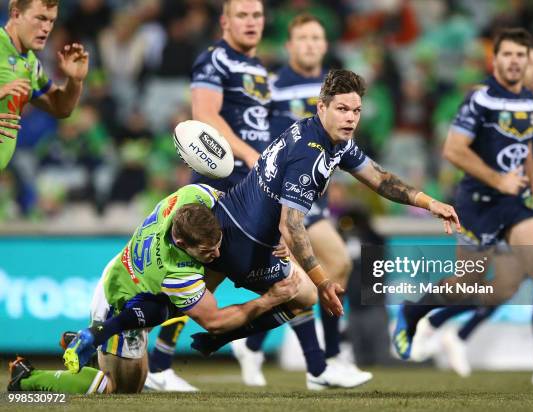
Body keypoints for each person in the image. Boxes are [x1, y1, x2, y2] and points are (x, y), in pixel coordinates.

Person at [184, 68, 459, 391]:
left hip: (227, 223)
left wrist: (429, 203)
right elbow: (291, 225)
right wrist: (323, 281)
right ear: (321, 107)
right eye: (342, 109)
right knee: (304, 295)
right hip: (247, 244)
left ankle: (147, 337)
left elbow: (380, 179)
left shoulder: (329, 138)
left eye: (356, 111)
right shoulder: (310, 155)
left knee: (184, 301)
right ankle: (246, 342)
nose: (351, 118)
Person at [392, 28, 533, 384]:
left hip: (517, 203)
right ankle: (413, 312)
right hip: (478, 204)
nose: (515, 61)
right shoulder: (480, 99)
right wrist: (498, 179)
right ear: (495, 59)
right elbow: (453, 150)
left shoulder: (530, 101)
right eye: (508, 55)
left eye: (521, 55)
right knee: (471, 284)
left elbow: (524, 149)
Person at [17, 183, 299, 395]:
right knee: (120, 389)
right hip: (120, 298)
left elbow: (234, 206)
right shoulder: (175, 272)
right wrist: (270, 299)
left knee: (164, 312)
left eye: (217, 244)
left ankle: (97, 344)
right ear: (181, 243)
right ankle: (27, 378)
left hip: (126, 274)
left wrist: (275, 234)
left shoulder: (191, 196)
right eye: (207, 251)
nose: (216, 253)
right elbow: (216, 322)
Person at [231, 13, 371, 388]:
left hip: (311, 196)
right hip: (280, 195)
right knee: (298, 282)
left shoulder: (336, 92)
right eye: (303, 38)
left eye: (316, 38)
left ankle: (325, 355)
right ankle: (316, 363)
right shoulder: (272, 87)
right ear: (290, 46)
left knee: (338, 263)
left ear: (324, 46)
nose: (310, 44)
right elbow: (262, 141)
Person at [143, 0, 271, 391]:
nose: (251, 22)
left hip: (251, 184)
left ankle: (159, 363)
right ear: (225, 21)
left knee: (206, 282)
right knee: (197, 277)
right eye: (242, 15)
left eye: (257, 15)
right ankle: (319, 362)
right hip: (223, 182)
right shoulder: (214, 60)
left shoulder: (258, 68)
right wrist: (248, 155)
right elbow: (205, 115)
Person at [0, 0, 89, 170]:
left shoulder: (30, 63)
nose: (47, 28)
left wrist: (75, 81)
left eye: (51, 21)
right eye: (40, 18)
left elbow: (61, 107)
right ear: (16, 14)